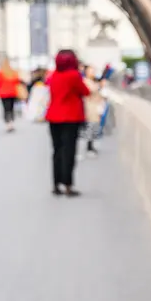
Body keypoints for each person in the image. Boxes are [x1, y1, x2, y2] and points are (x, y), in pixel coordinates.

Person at [46, 49, 89, 196]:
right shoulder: (74, 76)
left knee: (57, 151)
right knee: (69, 151)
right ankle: (68, 184)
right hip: (71, 117)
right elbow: (85, 91)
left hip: (53, 117)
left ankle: (56, 184)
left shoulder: (53, 76)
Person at [0, 57, 21, 133]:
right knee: (11, 108)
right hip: (12, 93)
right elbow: (17, 81)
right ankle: (11, 123)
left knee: (6, 109)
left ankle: (8, 124)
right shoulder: (13, 72)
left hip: (3, 94)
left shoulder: (0, 73)